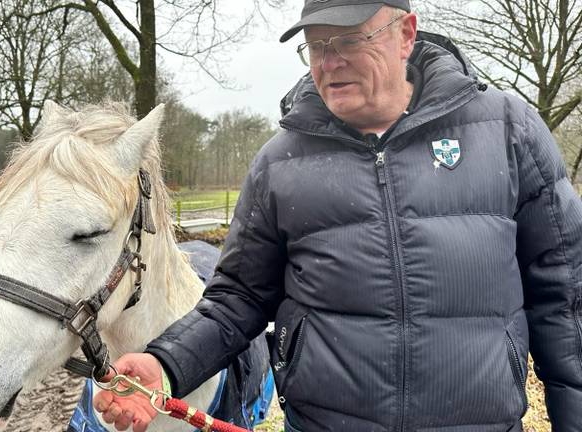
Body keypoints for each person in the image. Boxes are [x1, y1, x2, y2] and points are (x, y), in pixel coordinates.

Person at [94, 0, 582, 430]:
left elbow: (565, 299)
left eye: (349, 40)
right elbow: (238, 298)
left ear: (406, 34)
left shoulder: (505, 130)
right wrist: (165, 364)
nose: (328, 62)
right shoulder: (279, 163)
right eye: (315, 45)